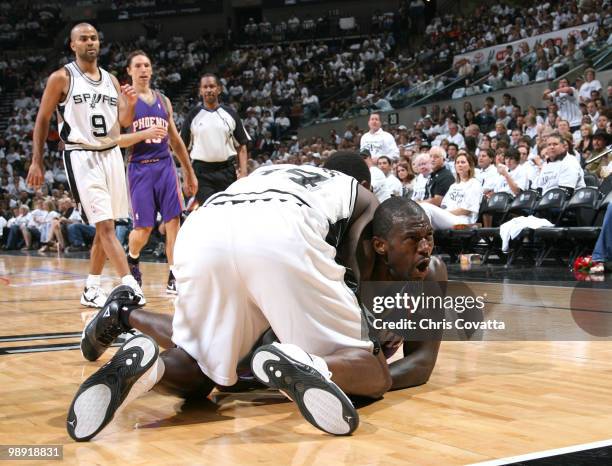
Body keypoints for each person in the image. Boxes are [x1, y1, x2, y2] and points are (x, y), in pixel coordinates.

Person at [71, 154, 444, 441]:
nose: (424, 248)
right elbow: (412, 363)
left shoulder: (312, 184)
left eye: (427, 238)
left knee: (205, 369)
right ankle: (313, 364)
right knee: (369, 373)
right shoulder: (366, 221)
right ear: (379, 242)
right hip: (280, 230)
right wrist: (362, 369)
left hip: (205, 224)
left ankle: (151, 367)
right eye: (414, 240)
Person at [26, 23, 145, 307]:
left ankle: (91, 287)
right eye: (83, 38)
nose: (90, 42)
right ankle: (129, 284)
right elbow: (42, 120)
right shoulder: (61, 78)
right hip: (81, 155)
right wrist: (36, 161)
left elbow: (124, 123)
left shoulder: (112, 80)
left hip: (111, 153)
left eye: (93, 38)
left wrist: (129, 104)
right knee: (104, 226)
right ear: (73, 45)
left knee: (109, 226)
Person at [120, 50, 198, 294]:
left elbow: (175, 140)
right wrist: (143, 134)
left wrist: (189, 172)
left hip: (165, 166)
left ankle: (174, 275)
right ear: (129, 71)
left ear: (151, 70)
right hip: (139, 168)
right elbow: (116, 140)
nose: (143, 69)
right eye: (138, 66)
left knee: (173, 222)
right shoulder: (124, 101)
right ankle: (132, 258)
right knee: (143, 230)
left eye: (147, 65)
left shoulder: (163, 101)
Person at [181, 73, 249, 207]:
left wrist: (244, 173)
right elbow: (182, 150)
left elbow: (241, 146)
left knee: (229, 211)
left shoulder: (230, 114)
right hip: (202, 173)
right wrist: (186, 178)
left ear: (219, 89)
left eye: (212, 86)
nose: (208, 90)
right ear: (200, 91)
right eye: (205, 87)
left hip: (227, 171)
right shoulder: (192, 115)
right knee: (210, 211)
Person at [419, 153, 483, 230]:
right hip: (448, 217)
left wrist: (445, 213)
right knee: (422, 210)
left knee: (426, 206)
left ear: (470, 166)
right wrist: (443, 213)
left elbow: (466, 211)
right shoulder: (454, 185)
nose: (460, 165)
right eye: (457, 163)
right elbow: (444, 206)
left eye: (463, 162)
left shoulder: (474, 183)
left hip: (462, 220)